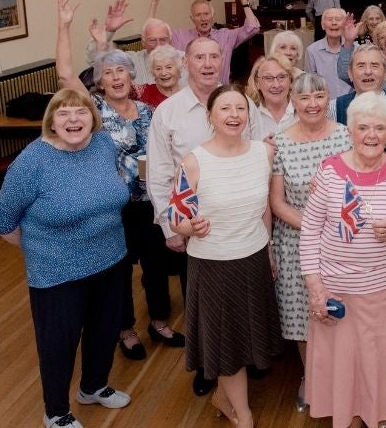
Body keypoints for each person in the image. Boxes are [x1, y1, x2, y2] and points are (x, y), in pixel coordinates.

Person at [55, 0, 185, 364]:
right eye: (108, 72)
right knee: (118, 272)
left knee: (157, 268)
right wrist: (65, 26)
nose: (116, 77)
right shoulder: (93, 111)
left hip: (150, 203)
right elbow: (65, 73)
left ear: (132, 76)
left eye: (122, 71)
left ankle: (159, 321)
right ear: (99, 81)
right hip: (112, 206)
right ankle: (125, 329)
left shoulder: (146, 108)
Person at [0, 88, 132, 428]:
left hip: (111, 258)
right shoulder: (33, 160)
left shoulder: (103, 145)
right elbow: (2, 219)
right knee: (58, 342)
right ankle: (56, 411)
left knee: (104, 330)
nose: (74, 119)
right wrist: (42, 250)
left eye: (81, 112)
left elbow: (108, 189)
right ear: (52, 122)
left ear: (93, 117)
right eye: (63, 113)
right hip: (57, 272)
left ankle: (93, 387)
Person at [146, 36, 268, 397]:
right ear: (186, 62)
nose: (207, 63)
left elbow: (262, 149)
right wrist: (170, 226)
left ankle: (246, 358)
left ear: (223, 60)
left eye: (214, 55)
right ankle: (208, 367)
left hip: (244, 225)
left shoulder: (242, 103)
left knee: (245, 301)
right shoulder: (168, 112)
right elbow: (160, 172)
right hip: (197, 229)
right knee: (204, 305)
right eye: (199, 56)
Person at [299, 92, 386, 428]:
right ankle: (350, 417)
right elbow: (310, 233)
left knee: (382, 362)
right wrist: (315, 289)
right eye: (363, 127)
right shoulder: (328, 173)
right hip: (337, 291)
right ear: (351, 131)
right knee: (345, 365)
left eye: (380, 128)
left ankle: (380, 416)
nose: (372, 135)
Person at [171, 84, 283, 428]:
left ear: (249, 116)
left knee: (243, 337)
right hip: (213, 266)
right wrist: (193, 228)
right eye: (225, 109)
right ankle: (243, 414)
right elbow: (176, 219)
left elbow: (265, 209)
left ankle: (223, 397)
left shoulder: (263, 154)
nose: (233, 115)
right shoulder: (193, 162)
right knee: (227, 341)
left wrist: (268, 250)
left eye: (240, 109)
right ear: (211, 116)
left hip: (252, 259)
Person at [269, 73, 352, 412]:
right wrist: (315, 227)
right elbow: (277, 202)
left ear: (327, 99)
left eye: (319, 96)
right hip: (296, 240)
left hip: (342, 240)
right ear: (294, 101)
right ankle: (311, 376)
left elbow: (355, 188)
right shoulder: (281, 141)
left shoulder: (345, 136)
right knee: (303, 315)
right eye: (305, 98)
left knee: (341, 310)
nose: (313, 104)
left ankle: (345, 376)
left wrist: (332, 229)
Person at [86, 0, 185, 86]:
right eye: (152, 40)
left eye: (163, 39)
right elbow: (96, 60)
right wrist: (108, 31)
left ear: (170, 40)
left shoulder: (184, 59)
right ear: (143, 42)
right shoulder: (132, 60)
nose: (158, 45)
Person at [169, 0, 261, 83]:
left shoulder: (226, 36)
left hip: (220, 93)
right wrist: (154, 2)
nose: (203, 18)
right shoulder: (180, 37)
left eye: (206, 14)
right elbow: (151, 35)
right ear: (192, 18)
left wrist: (243, 0)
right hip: (192, 93)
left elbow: (252, 28)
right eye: (198, 15)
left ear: (212, 16)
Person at [330, 43, 386, 124]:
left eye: (374, 66)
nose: (368, 72)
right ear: (350, 73)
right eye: (361, 66)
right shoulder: (334, 107)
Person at [304, 8, 354, 99]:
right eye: (330, 19)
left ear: (345, 24)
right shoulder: (312, 51)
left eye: (338, 19)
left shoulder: (356, 49)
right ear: (323, 25)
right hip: (324, 104)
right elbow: (309, 83)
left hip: (352, 102)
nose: (334, 23)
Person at [246, 55, 297, 135]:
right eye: (268, 78)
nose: (276, 85)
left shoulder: (303, 112)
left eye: (282, 77)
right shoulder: (248, 117)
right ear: (257, 83)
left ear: (290, 80)